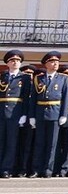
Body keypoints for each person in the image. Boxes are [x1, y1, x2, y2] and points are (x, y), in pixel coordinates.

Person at [30, 51, 68, 178]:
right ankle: (36, 169)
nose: (55, 64)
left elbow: (66, 98)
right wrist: (32, 115)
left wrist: (63, 114)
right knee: (39, 143)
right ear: (46, 64)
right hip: (40, 113)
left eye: (57, 62)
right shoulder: (39, 79)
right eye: (52, 62)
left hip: (55, 113)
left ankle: (48, 169)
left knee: (52, 144)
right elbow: (33, 99)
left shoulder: (63, 79)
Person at [0, 50, 31, 179]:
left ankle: (6, 169)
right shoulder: (2, 76)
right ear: (7, 63)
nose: (15, 62)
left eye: (18, 61)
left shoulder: (24, 78)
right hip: (1, 113)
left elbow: (26, 98)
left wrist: (24, 114)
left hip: (15, 113)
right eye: (12, 60)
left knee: (11, 143)